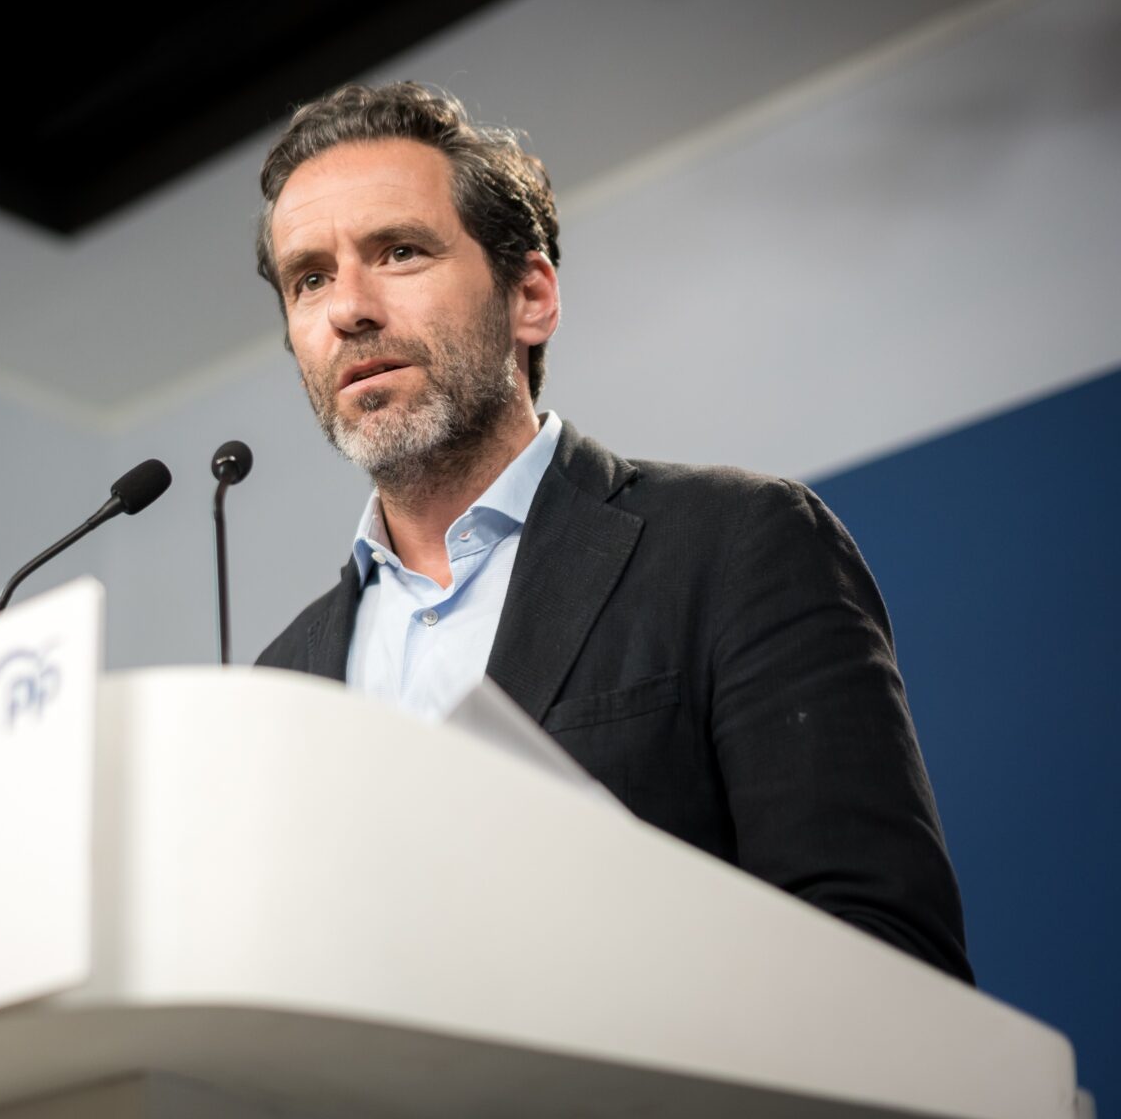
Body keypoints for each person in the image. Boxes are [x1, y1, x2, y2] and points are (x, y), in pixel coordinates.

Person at [252, 82, 972, 983]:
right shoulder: (275, 686)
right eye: (310, 279)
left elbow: (887, 957)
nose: (347, 309)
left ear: (531, 296)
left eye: (399, 252)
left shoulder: (735, 546)